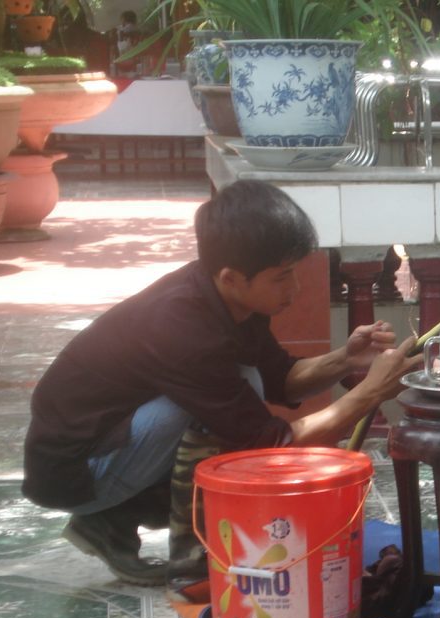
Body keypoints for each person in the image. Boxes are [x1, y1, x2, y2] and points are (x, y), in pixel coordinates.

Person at [23, 180, 417, 592]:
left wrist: (346, 359)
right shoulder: (182, 326)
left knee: (238, 387)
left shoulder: (226, 294)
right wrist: (371, 391)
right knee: (215, 416)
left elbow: (278, 377)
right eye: (282, 277)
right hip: (78, 473)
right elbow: (269, 444)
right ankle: (189, 561)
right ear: (231, 277)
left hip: (112, 444)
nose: (295, 289)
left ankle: (111, 523)